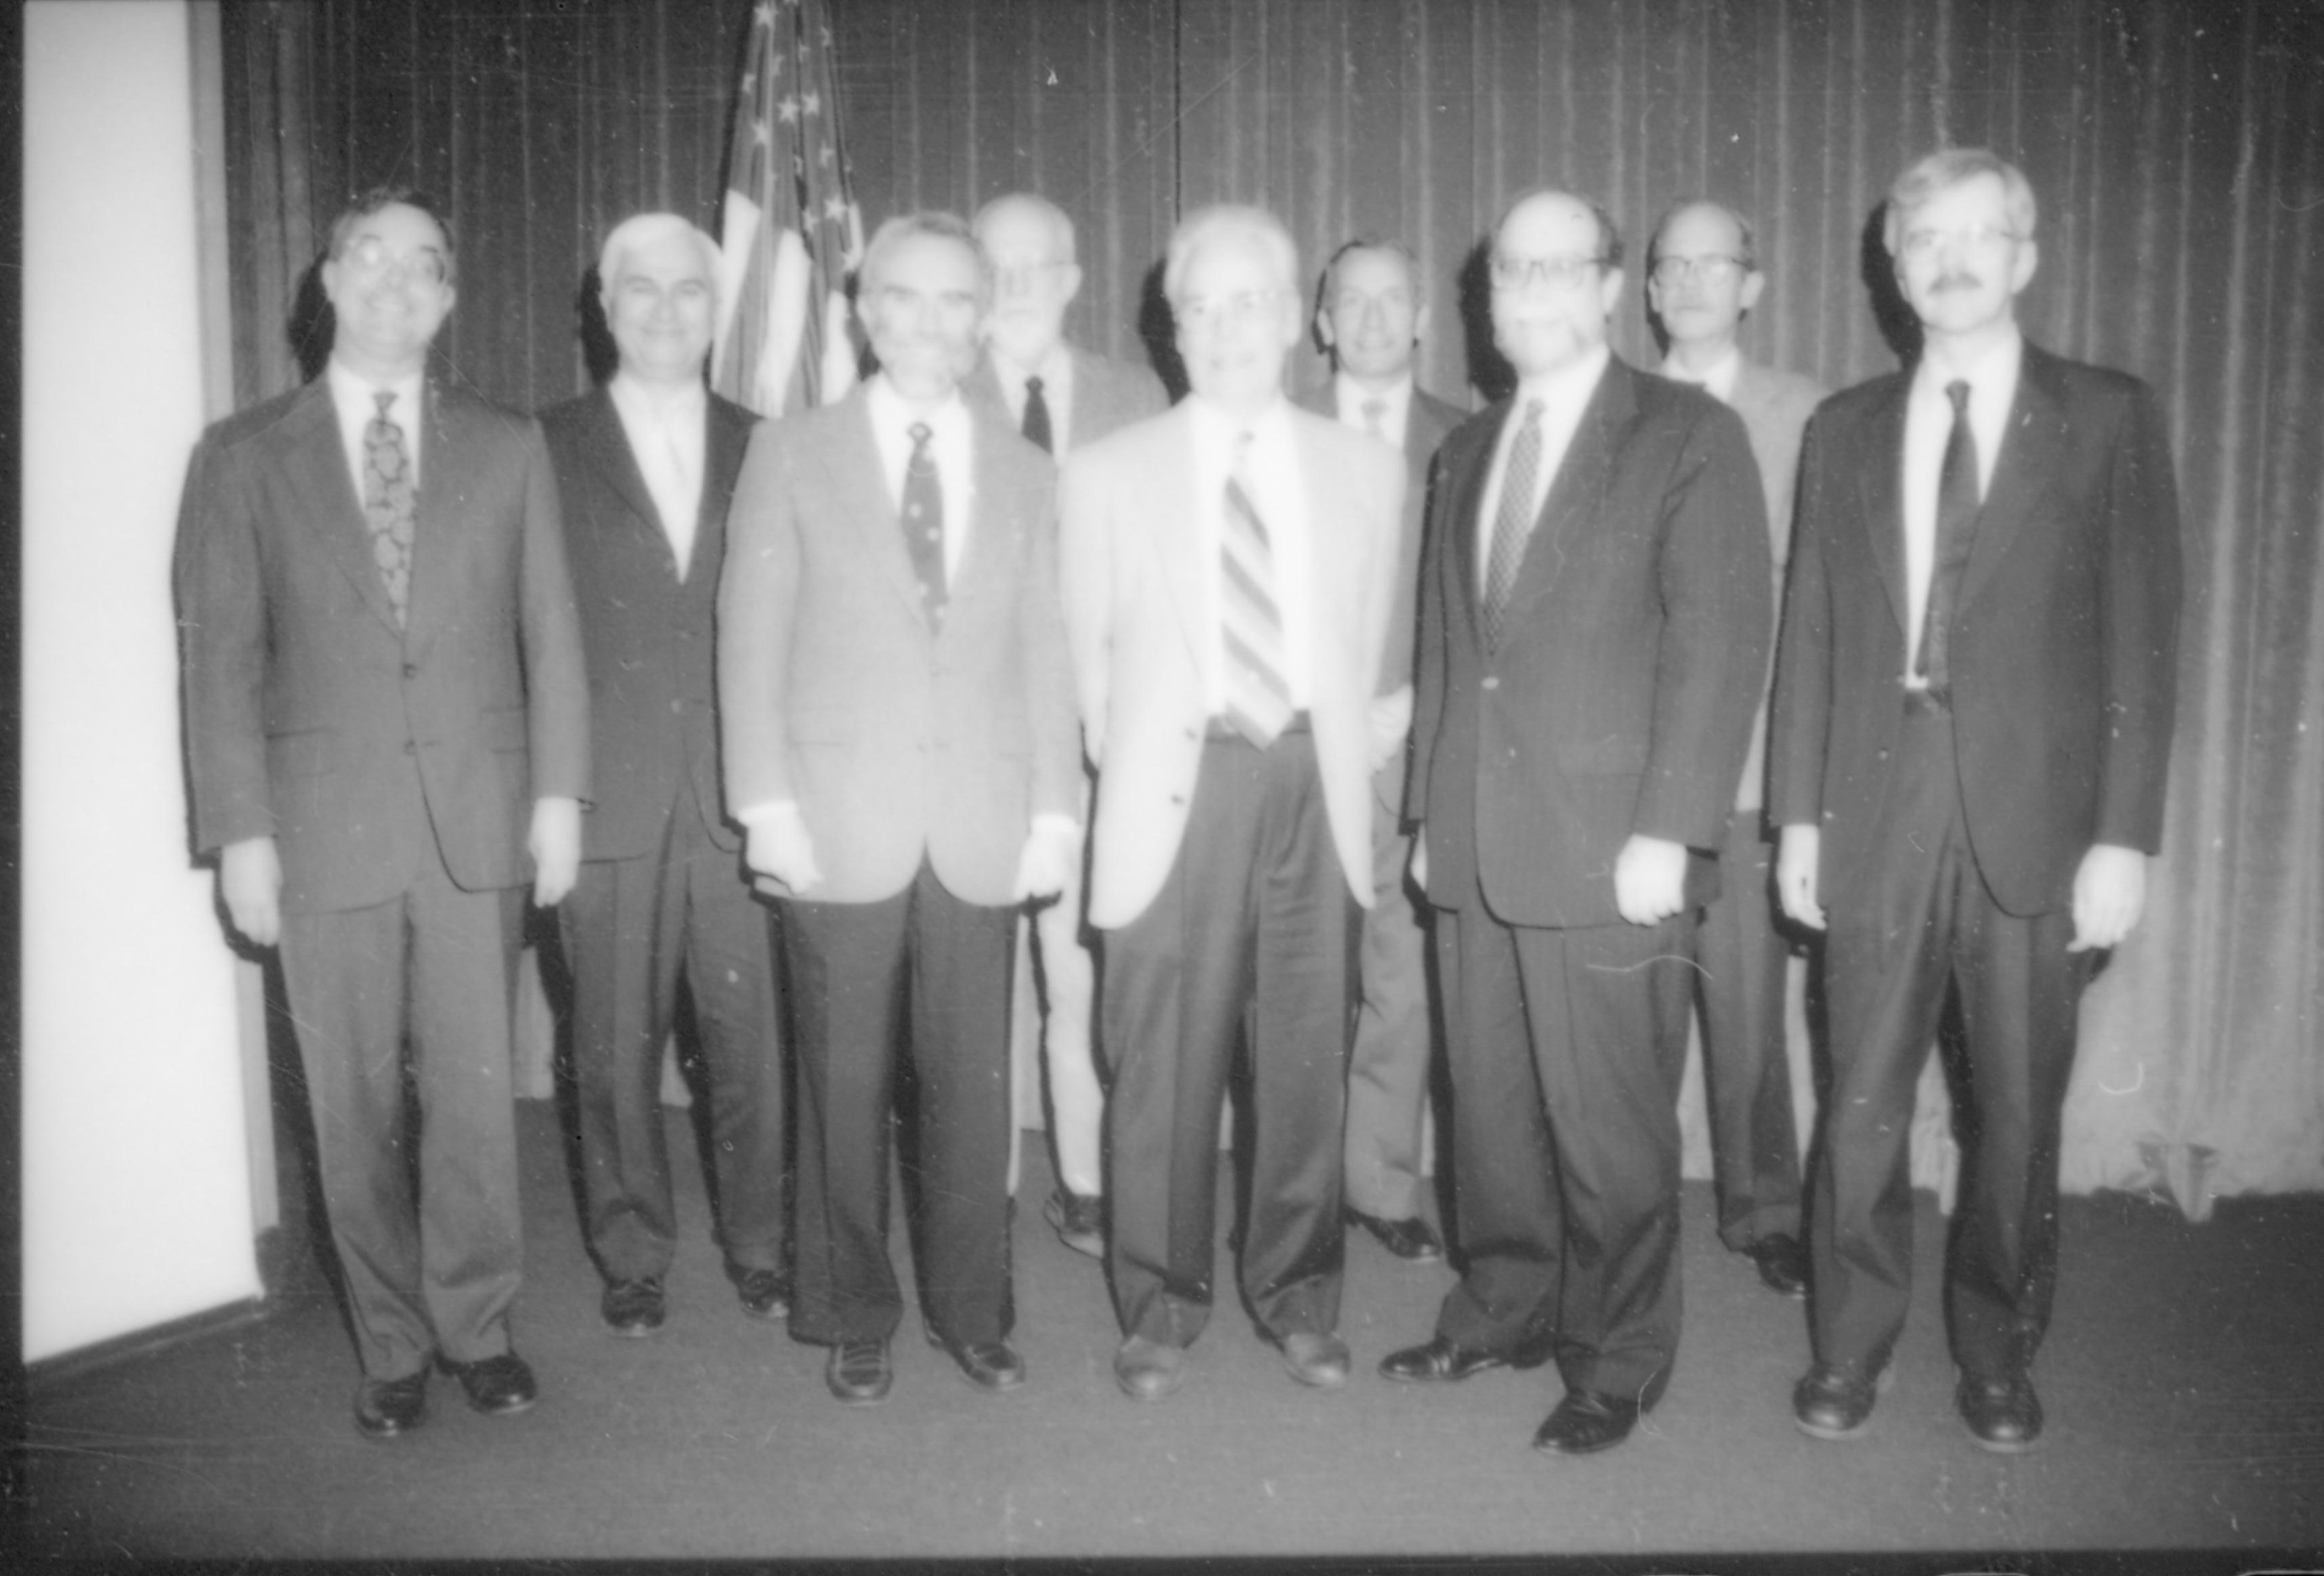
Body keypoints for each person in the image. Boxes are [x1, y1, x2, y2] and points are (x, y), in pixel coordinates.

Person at [1770, 148, 2180, 1453]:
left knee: (2016, 1111)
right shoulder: (1840, 429)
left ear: (2025, 256)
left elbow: (2142, 644)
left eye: (1976, 237)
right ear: (1894, 269)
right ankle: (1849, 1348)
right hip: (1875, 814)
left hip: (2035, 830)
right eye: (1923, 241)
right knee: (1859, 1104)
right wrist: (1796, 819)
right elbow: (1813, 639)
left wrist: (2123, 837)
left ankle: (2000, 1354)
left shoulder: (2108, 415)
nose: (1949, 260)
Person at [175, 186, 588, 1439]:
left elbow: (553, 635)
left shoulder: (510, 444)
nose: (396, 285)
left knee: (472, 1094)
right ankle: (393, 1343)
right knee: (347, 1099)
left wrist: (559, 798)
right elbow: (222, 661)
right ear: (328, 281)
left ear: (450, 298)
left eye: (425, 267)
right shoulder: (243, 455)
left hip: (476, 827)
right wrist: (241, 833)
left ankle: (480, 1326)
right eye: (372, 259)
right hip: (319, 831)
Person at [1381, 189, 1771, 1456]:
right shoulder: (1464, 449)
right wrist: (1429, 812)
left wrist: (1674, 827)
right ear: (1486, 300)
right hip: (1477, 841)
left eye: (1561, 268)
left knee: (1608, 1125)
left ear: (1612, 286)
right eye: (1510, 273)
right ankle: (1502, 1305)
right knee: (1488, 1107)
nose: (1532, 292)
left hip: (1614, 847)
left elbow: (1720, 645)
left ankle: (1619, 1357)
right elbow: (1452, 650)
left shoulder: (1688, 432)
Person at [717, 211, 1080, 1405]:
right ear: (866, 313)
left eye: (957, 302)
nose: (932, 323)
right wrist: (764, 803)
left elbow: (1046, 649)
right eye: (906, 299)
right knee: (841, 1086)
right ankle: (849, 1312)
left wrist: (1053, 812)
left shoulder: (1028, 468)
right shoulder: (791, 449)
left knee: (972, 1092)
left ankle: (973, 1313)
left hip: (978, 822)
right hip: (837, 822)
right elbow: (750, 635)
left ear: (984, 321)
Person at [1059, 204, 1404, 1402]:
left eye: (1247, 301)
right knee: (1161, 1065)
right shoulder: (1105, 474)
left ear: (1290, 318)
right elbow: (1088, 671)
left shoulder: (1367, 469)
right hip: (1179, 788)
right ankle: (1158, 1304)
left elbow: (1368, 650)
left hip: (1316, 783)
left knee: (1305, 1057)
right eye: (1195, 307)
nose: (1222, 327)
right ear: (1170, 329)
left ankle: (1300, 1294)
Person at [538, 213, 787, 1340]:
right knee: (609, 1044)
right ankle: (632, 1249)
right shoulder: (536, 447)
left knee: (754, 1042)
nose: (665, 308)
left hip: (742, 799)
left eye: (690, 289)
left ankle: (764, 1244)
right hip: (606, 800)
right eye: (639, 287)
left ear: (717, 307)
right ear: (603, 301)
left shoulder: (775, 443)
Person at [964, 192, 1169, 1259]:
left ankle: (1087, 1184)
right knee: (970, 986)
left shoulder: (1138, 396)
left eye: (1038, 265)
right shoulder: (923, 391)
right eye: (993, 266)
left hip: (1094, 746)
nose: (1015, 286)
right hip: (971, 748)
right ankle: (979, 1192)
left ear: (1075, 277)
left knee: (1080, 975)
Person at [1643, 199, 1830, 1299]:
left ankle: (1764, 1207)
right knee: (1635, 1008)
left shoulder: (1810, 418)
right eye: (1676, 265)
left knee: (1751, 1011)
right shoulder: (1613, 411)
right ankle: (1630, 1209)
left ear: (1752, 286)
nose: (1698, 281)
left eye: (1719, 265)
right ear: (1651, 290)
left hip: (1757, 767)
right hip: (1634, 772)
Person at [1294, 238, 1465, 1264]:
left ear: (1420, 321)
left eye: (1389, 299)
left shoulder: (1470, 439)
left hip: (1414, 742)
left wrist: (1410, 703)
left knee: (1402, 977)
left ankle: (1380, 1186)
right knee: (1298, 976)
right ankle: (1296, 1186)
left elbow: (1486, 607)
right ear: (1320, 321)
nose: (1367, 318)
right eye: (1348, 300)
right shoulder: (1265, 431)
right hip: (1298, 745)